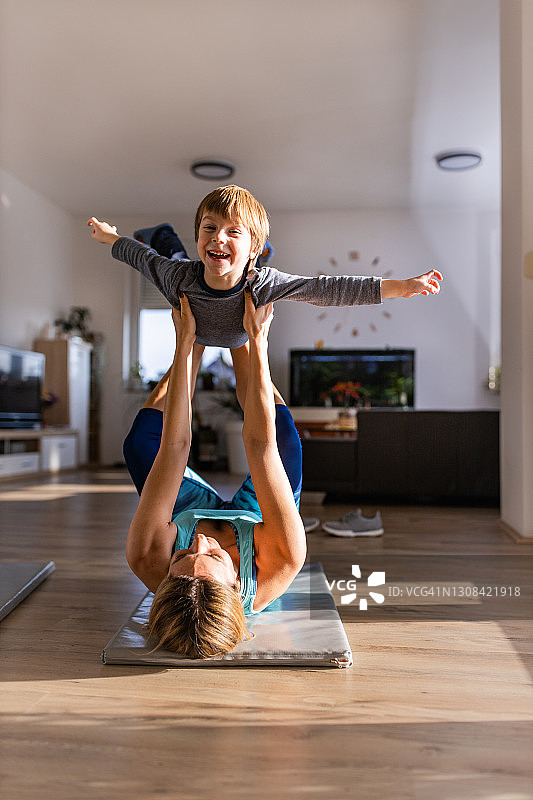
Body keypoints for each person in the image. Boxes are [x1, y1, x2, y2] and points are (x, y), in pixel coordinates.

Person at [122, 288, 306, 658]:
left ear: (166, 577)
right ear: (237, 585)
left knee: (142, 444)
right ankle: (238, 290)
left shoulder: (147, 556)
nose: (201, 542)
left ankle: (204, 309)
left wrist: (187, 341)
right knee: (282, 438)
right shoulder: (281, 558)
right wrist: (252, 337)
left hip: (188, 510)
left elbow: (174, 447)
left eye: (181, 556)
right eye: (216, 557)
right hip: (259, 518)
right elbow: (260, 444)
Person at [87, 185, 443, 349]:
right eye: (208, 228)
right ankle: (164, 233)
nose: (217, 237)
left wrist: (402, 287)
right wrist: (108, 236)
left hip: (247, 286)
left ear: (251, 245)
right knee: (171, 258)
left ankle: (252, 251)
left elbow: (327, 288)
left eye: (232, 231)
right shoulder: (177, 279)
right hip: (187, 277)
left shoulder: (262, 284)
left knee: (241, 266)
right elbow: (139, 256)